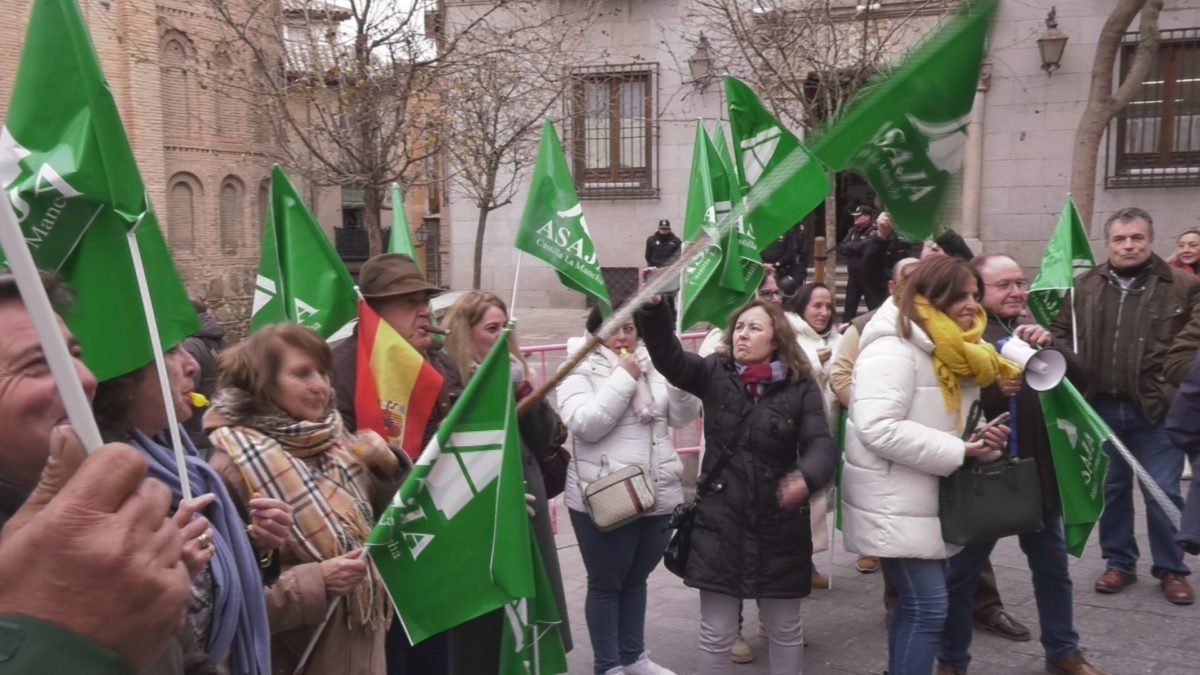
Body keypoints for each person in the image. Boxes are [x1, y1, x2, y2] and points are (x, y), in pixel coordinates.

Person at [0, 269, 191, 673]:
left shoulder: (108, 517)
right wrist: (60, 637)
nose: (86, 379)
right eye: (38, 363)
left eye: (74, 354)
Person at [829, 259, 1030, 640]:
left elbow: (945, 422)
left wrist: (981, 441)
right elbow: (878, 427)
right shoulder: (892, 346)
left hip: (928, 497)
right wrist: (960, 450)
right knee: (927, 606)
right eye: (962, 296)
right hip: (894, 501)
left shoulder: (956, 345)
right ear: (934, 298)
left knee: (923, 607)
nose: (973, 304)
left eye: (975, 294)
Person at [639, 293, 837, 675]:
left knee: (784, 629)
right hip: (719, 525)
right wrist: (654, 311)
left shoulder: (800, 387)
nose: (742, 335)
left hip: (779, 525)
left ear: (776, 338)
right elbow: (670, 360)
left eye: (754, 328)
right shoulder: (714, 371)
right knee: (717, 633)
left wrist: (805, 476)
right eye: (739, 328)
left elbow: (822, 445)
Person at [206, 324, 410, 675]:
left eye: (323, 372)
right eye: (301, 374)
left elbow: (388, 528)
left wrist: (389, 469)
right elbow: (219, 598)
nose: (320, 385)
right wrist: (317, 581)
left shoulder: (338, 443)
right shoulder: (232, 466)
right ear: (264, 384)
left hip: (363, 653)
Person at [936, 253, 1103, 675]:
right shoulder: (963, 337)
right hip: (984, 477)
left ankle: (1064, 653)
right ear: (977, 291)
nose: (1016, 292)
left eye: (1020, 282)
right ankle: (952, 660)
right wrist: (994, 382)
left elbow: (1085, 382)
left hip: (1040, 477)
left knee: (1053, 573)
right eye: (1004, 285)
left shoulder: (1034, 332)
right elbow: (955, 406)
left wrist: (1052, 345)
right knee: (961, 579)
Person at [92, 342, 288, 675]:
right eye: (169, 351)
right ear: (124, 378)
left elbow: (225, 588)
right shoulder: (105, 489)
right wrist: (167, 577)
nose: (192, 364)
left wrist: (258, 546)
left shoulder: (188, 465)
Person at [1050, 207, 1198, 605]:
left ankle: (1172, 569)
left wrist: (1173, 391)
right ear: (1108, 243)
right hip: (1100, 410)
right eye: (1120, 239)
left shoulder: (1183, 286)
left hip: (1157, 410)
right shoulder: (1084, 286)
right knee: (1112, 490)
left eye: (1137, 238)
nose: (1129, 245)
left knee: (1163, 490)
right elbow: (1062, 333)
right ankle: (1119, 562)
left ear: (1151, 241)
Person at [330, 253, 460, 675]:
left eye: (425, 299)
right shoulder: (339, 368)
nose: (425, 311)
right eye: (409, 302)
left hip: (432, 542)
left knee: (435, 657)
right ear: (373, 310)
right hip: (375, 551)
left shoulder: (439, 365)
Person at [557, 305, 701, 675]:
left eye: (631, 329)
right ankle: (608, 665)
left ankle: (633, 657)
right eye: (613, 329)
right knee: (607, 583)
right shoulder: (578, 365)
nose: (623, 337)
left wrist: (681, 383)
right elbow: (584, 423)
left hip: (656, 491)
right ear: (595, 333)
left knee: (636, 580)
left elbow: (680, 417)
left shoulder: (651, 361)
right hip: (607, 493)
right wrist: (623, 379)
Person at [439, 291, 573, 673]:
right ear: (467, 333)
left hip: (526, 496)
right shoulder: (450, 376)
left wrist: (523, 387)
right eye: (490, 328)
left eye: (504, 328)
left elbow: (545, 433)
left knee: (533, 589)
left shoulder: (517, 370)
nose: (500, 336)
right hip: (479, 511)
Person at [788, 283, 840, 590]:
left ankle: (806, 561)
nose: (823, 312)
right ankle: (797, 563)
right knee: (797, 503)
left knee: (814, 502)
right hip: (794, 432)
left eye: (828, 306)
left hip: (821, 429)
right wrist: (816, 364)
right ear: (802, 307)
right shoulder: (788, 334)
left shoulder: (836, 337)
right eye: (816, 306)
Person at [181, 296, 226, 457]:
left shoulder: (190, 345)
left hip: (196, 433)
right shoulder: (216, 338)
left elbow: (187, 390)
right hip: (215, 425)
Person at [837, 205, 877, 321]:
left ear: (867, 217)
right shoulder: (852, 230)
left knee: (873, 307)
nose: (855, 218)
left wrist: (852, 247)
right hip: (853, 276)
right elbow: (841, 247)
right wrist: (855, 247)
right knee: (849, 308)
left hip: (868, 277)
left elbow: (866, 247)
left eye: (858, 216)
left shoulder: (873, 231)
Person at [761, 224, 807, 293]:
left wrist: (775, 265)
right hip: (761, 270)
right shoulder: (759, 229)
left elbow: (790, 253)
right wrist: (762, 264)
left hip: (782, 271)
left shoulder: (787, 229)